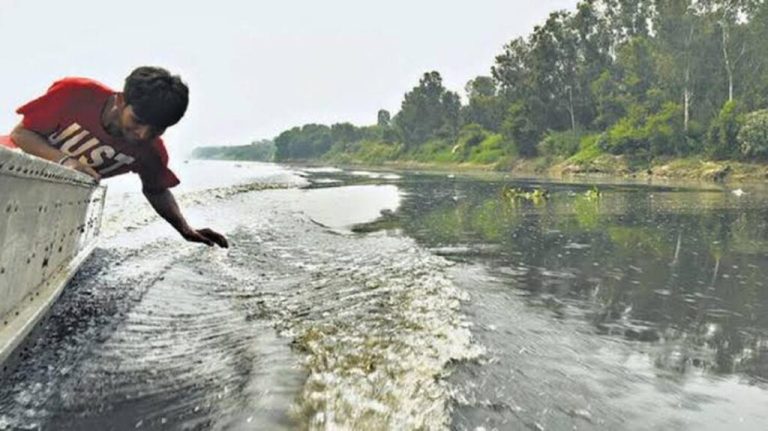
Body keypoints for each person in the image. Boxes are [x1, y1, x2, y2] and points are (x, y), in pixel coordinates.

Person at [1, 66, 228, 248]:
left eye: (157, 129)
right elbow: (21, 133)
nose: (143, 134)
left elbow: (156, 189)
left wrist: (185, 229)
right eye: (137, 120)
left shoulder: (151, 152)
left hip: (49, 200)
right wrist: (66, 162)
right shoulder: (76, 93)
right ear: (120, 101)